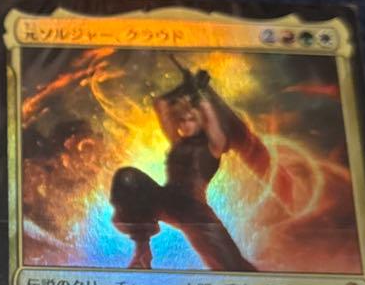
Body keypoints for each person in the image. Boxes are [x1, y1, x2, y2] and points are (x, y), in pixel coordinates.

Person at [109, 65, 256, 272]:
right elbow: (160, 104)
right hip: (167, 199)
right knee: (127, 178)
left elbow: (211, 121)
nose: (185, 125)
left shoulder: (214, 145)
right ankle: (142, 250)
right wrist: (185, 87)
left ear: (201, 120)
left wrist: (199, 93)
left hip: (194, 211)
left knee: (233, 267)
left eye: (191, 120)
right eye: (182, 120)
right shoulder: (178, 141)